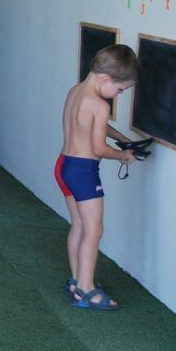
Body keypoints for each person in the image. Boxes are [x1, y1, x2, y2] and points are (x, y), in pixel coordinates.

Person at [56, 44, 140, 310]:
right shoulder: (100, 105)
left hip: (64, 165)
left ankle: (76, 282)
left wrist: (123, 138)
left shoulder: (76, 91)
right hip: (83, 171)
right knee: (94, 230)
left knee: (79, 225)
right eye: (121, 90)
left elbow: (94, 125)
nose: (119, 94)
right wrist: (123, 155)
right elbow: (98, 149)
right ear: (106, 79)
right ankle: (87, 290)